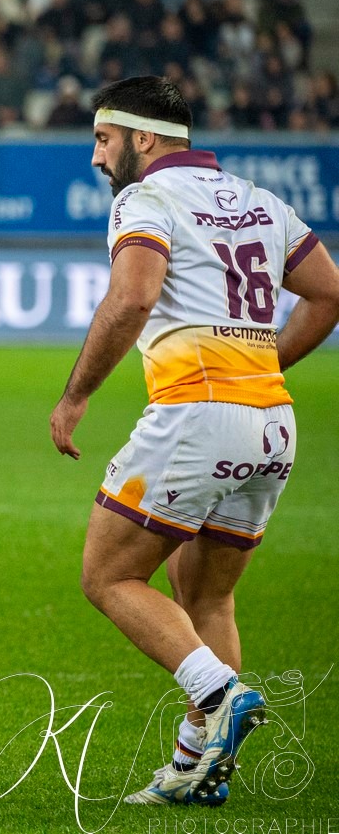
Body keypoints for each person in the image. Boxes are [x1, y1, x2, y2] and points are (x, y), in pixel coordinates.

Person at [50, 75, 339, 807]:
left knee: (107, 576)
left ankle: (221, 693)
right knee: (205, 597)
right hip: (271, 424)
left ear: (142, 139)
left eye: (102, 138)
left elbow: (135, 295)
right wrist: (265, 361)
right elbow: (330, 290)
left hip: (197, 415)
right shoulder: (261, 201)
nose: (95, 156)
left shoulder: (144, 200)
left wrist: (76, 394)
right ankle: (196, 767)